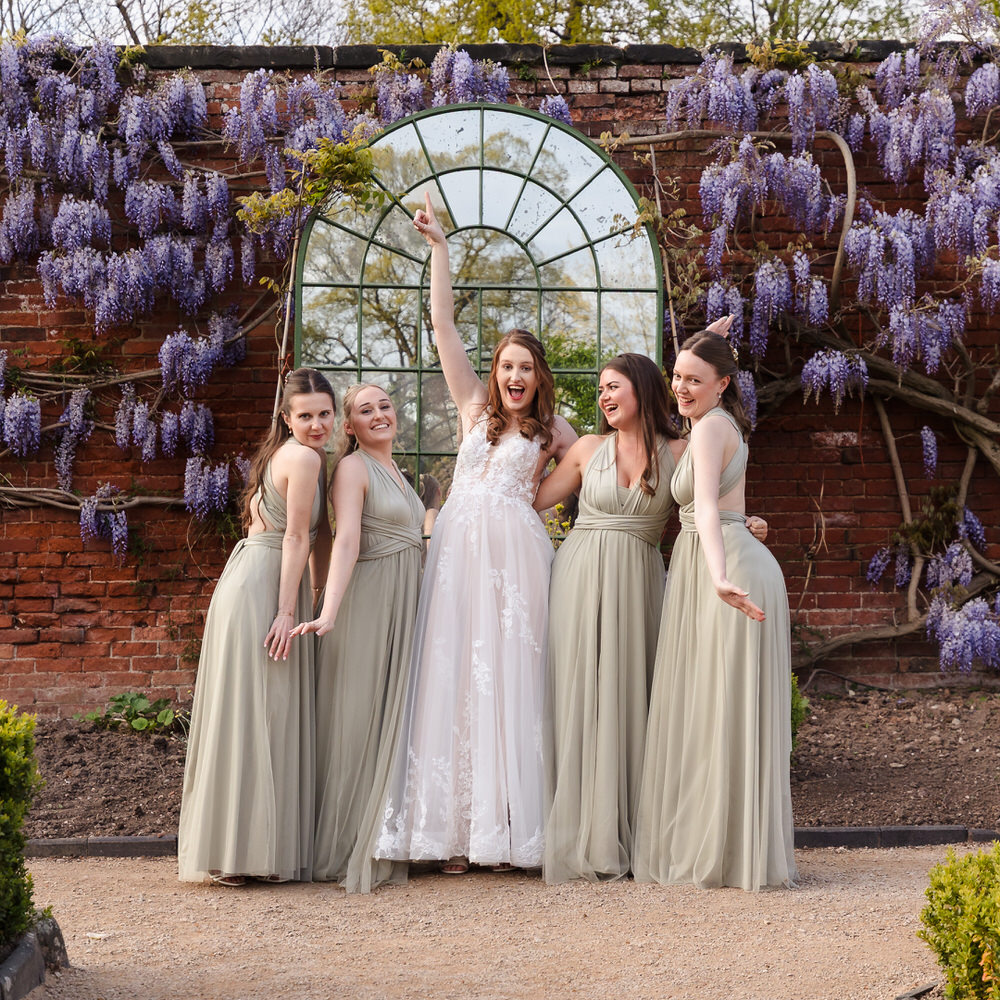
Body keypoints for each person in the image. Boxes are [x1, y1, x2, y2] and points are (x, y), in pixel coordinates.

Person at [369, 192, 576, 877]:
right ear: (497, 372)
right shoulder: (472, 410)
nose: (515, 376)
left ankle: (510, 830)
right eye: (507, 365)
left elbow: (611, 447)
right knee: (455, 675)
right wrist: (439, 250)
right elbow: (443, 327)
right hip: (458, 553)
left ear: (539, 377)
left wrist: (702, 359)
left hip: (516, 556)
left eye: (526, 367)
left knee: (512, 678)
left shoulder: (551, 432)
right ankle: (454, 833)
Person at [536, 351, 767, 885]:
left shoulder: (682, 448)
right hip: (579, 574)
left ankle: (632, 830)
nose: (605, 397)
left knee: (632, 699)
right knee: (579, 697)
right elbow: (529, 501)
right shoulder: (587, 449)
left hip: (640, 579)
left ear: (641, 389)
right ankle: (576, 829)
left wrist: (743, 521)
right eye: (600, 391)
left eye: (614, 386)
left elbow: (709, 499)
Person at [631, 330, 797, 891]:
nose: (680, 388)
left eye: (694, 380)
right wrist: (711, 333)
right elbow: (728, 508)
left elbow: (703, 505)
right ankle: (734, 851)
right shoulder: (725, 425)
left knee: (716, 710)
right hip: (733, 558)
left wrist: (719, 574)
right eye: (676, 377)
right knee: (722, 709)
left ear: (723, 384)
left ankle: (719, 854)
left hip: (725, 571)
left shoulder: (707, 430)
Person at [178, 368, 336, 886]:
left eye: (324, 414)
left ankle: (236, 849)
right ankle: (245, 853)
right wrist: (289, 610)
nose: (316, 424)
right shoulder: (306, 458)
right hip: (266, 587)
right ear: (287, 418)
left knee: (247, 710)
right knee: (262, 711)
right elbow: (295, 538)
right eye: (306, 415)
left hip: (246, 577)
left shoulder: (276, 456)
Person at [290, 384, 425, 889]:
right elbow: (345, 539)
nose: (378, 414)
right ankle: (344, 844)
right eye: (365, 411)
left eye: (385, 405)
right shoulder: (352, 468)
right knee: (358, 716)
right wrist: (328, 612)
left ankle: (381, 834)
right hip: (367, 601)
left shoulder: (397, 472)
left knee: (389, 716)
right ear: (349, 427)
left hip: (403, 601)